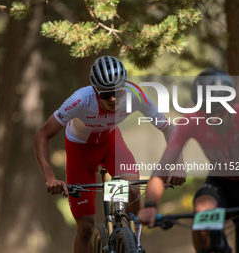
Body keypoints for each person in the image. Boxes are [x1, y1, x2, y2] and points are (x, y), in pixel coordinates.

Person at [33, 56, 184, 253]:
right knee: (85, 228)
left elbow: (168, 129)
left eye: (117, 92)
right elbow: (42, 135)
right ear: (95, 91)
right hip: (80, 151)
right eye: (106, 94)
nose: (113, 99)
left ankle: (133, 244)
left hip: (110, 143)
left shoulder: (134, 95)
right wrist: (50, 178)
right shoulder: (80, 100)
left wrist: (179, 165)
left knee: (132, 190)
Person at [138, 68, 239, 253]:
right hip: (220, 185)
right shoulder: (192, 120)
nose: (215, 119)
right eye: (208, 113)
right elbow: (161, 170)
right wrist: (150, 206)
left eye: (220, 112)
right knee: (202, 212)